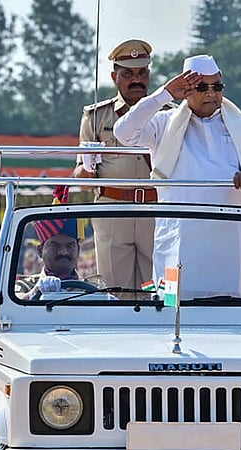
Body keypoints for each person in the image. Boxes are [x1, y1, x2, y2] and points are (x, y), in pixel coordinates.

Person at [114, 54, 241, 298]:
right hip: (179, 244)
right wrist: (165, 94)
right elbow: (124, 132)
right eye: (202, 87)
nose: (211, 93)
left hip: (231, 245)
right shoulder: (164, 124)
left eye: (217, 87)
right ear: (185, 90)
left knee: (234, 317)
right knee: (174, 313)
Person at [75, 39, 173, 292]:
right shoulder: (97, 116)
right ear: (114, 77)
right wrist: (87, 169)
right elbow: (80, 174)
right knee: (115, 290)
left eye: (142, 73)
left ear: (149, 76)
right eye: (128, 74)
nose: (136, 80)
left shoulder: (169, 114)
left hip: (156, 208)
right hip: (113, 209)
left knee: (160, 289)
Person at [15, 219, 83, 298]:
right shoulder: (25, 286)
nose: (63, 252)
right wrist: (34, 293)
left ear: (78, 250)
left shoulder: (93, 289)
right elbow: (14, 302)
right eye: (55, 246)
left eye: (70, 246)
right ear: (40, 251)